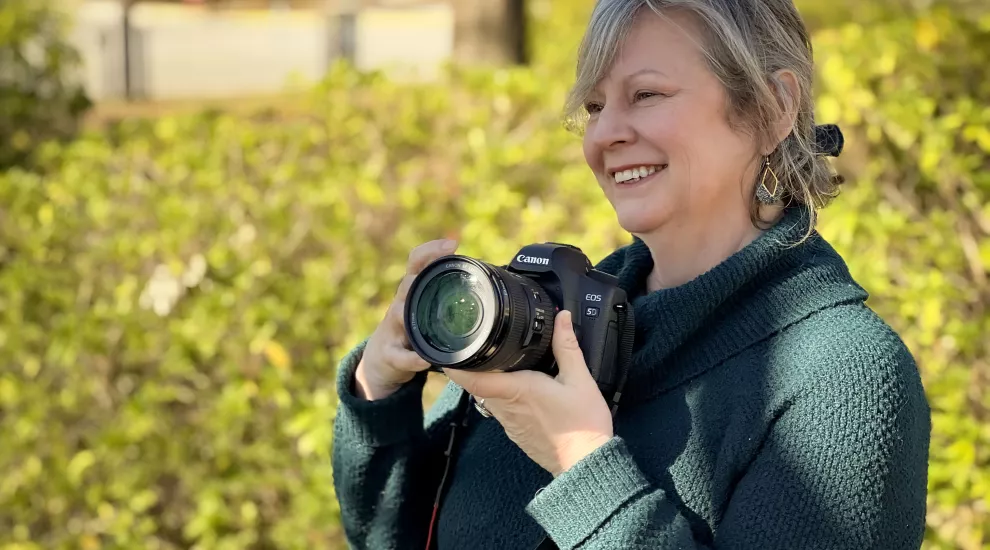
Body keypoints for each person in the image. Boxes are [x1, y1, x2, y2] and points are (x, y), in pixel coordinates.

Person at [331, 0, 931, 548]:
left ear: (773, 109)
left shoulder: (844, 378)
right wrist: (379, 390)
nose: (606, 134)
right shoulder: (549, 316)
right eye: (594, 106)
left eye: (646, 95)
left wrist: (583, 467)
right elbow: (396, 534)